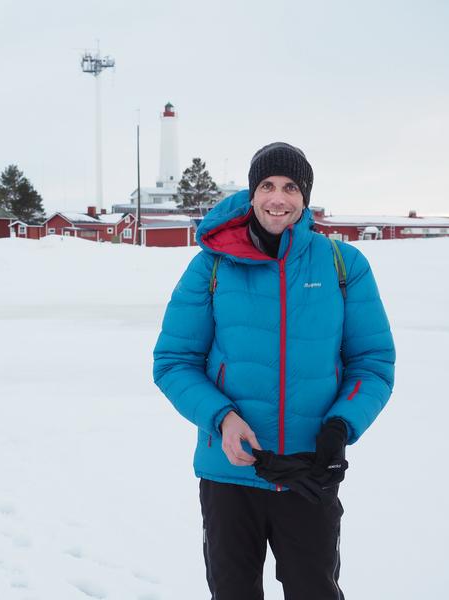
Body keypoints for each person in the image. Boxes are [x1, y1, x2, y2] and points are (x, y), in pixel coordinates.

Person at [153, 142, 395, 599]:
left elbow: (373, 363)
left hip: (309, 471)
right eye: (267, 186)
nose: (277, 198)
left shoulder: (344, 266)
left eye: (290, 187)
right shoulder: (212, 266)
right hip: (229, 475)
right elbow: (173, 362)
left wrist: (341, 425)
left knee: (313, 591)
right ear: (252, 193)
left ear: (305, 197)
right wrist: (221, 418)